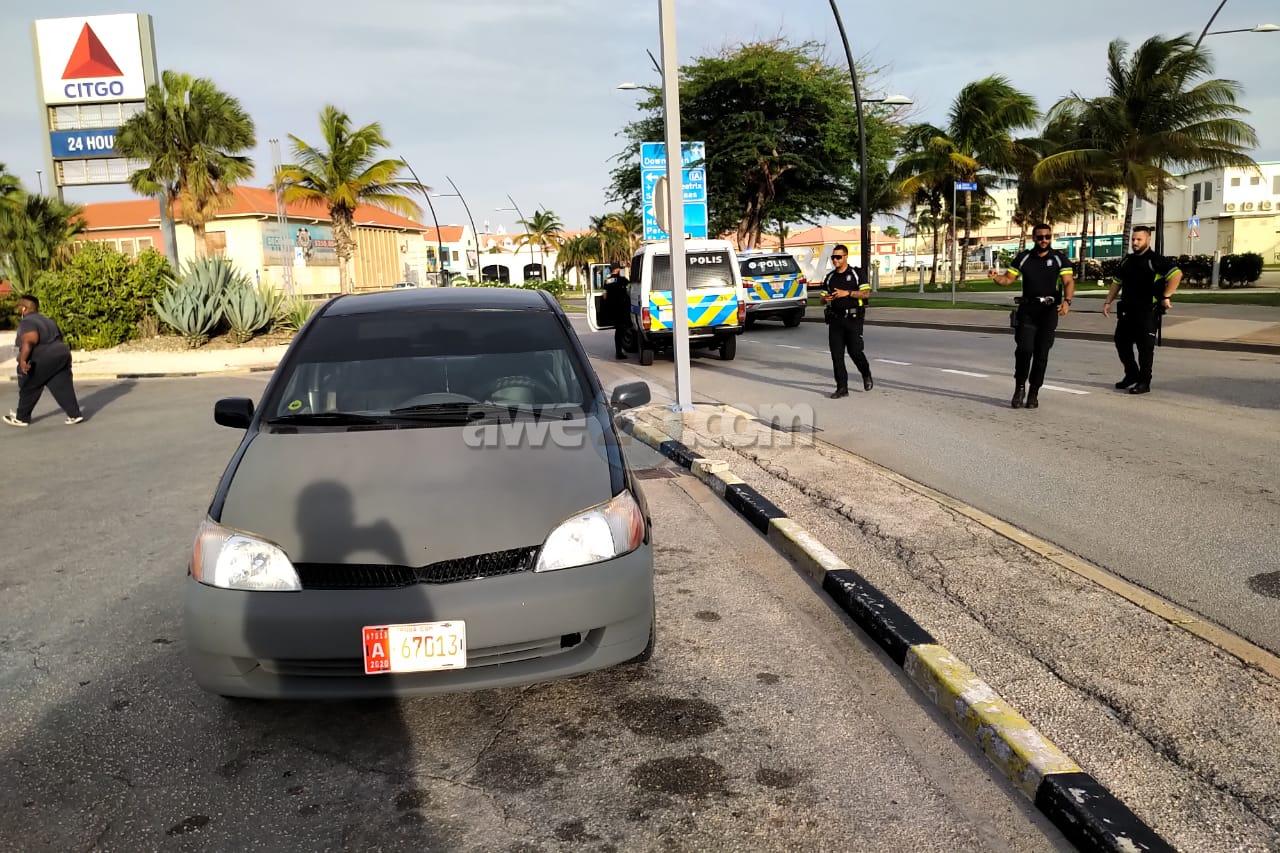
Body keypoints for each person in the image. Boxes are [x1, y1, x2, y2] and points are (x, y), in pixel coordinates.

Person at [989, 225, 1076, 409]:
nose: (1044, 240)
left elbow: (1068, 281)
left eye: (1047, 236)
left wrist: (1067, 301)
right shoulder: (1024, 257)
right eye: (1040, 237)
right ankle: (1019, 388)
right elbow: (1008, 279)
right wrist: (996, 278)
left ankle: (1034, 392)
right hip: (1028, 311)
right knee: (1024, 350)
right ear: (1034, 238)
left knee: (1041, 354)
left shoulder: (1059, 258)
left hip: (1048, 312)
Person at [1104, 226, 1182, 395]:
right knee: (1121, 342)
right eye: (1133, 239)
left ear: (1148, 239)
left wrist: (1166, 296)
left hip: (1147, 311)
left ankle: (1144, 382)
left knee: (1145, 348)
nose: (1135, 242)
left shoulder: (1155, 260)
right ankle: (1131, 374)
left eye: (1139, 239)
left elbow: (1176, 275)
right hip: (1127, 311)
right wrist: (1108, 301)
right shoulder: (1127, 260)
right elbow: (1117, 282)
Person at [4, 295, 83, 428]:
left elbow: (30, 341)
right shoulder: (48, 321)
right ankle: (74, 414)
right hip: (62, 354)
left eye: (19, 307)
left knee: (29, 384)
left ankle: (22, 418)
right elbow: (59, 338)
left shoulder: (27, 322)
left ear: (24, 308)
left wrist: (22, 360)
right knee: (61, 385)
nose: (18, 309)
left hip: (43, 356)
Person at [821, 244, 873, 398]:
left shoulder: (856, 273)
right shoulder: (830, 277)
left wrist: (847, 293)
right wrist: (826, 298)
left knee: (855, 351)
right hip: (835, 319)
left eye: (838, 257)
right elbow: (822, 299)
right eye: (833, 257)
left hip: (853, 319)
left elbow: (866, 294)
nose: (835, 260)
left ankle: (866, 373)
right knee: (836, 355)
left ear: (845, 257)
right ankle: (842, 388)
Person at [603, 262, 632, 360]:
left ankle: (619, 351)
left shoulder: (607, 281)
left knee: (618, 331)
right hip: (622, 309)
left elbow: (604, 296)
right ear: (617, 269)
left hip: (613, 310)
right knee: (622, 331)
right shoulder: (622, 280)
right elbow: (630, 288)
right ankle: (619, 352)